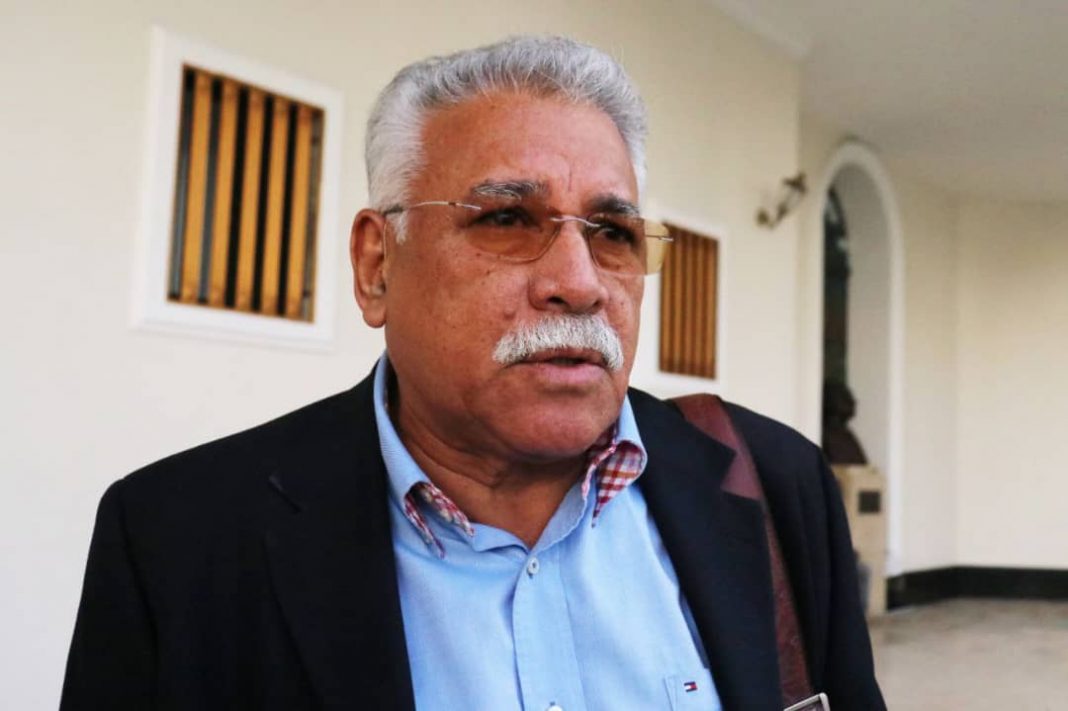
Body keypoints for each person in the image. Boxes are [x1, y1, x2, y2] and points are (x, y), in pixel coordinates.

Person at [62, 36, 884, 711]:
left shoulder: (771, 484)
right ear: (377, 266)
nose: (580, 282)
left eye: (613, 232)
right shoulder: (179, 542)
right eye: (506, 218)